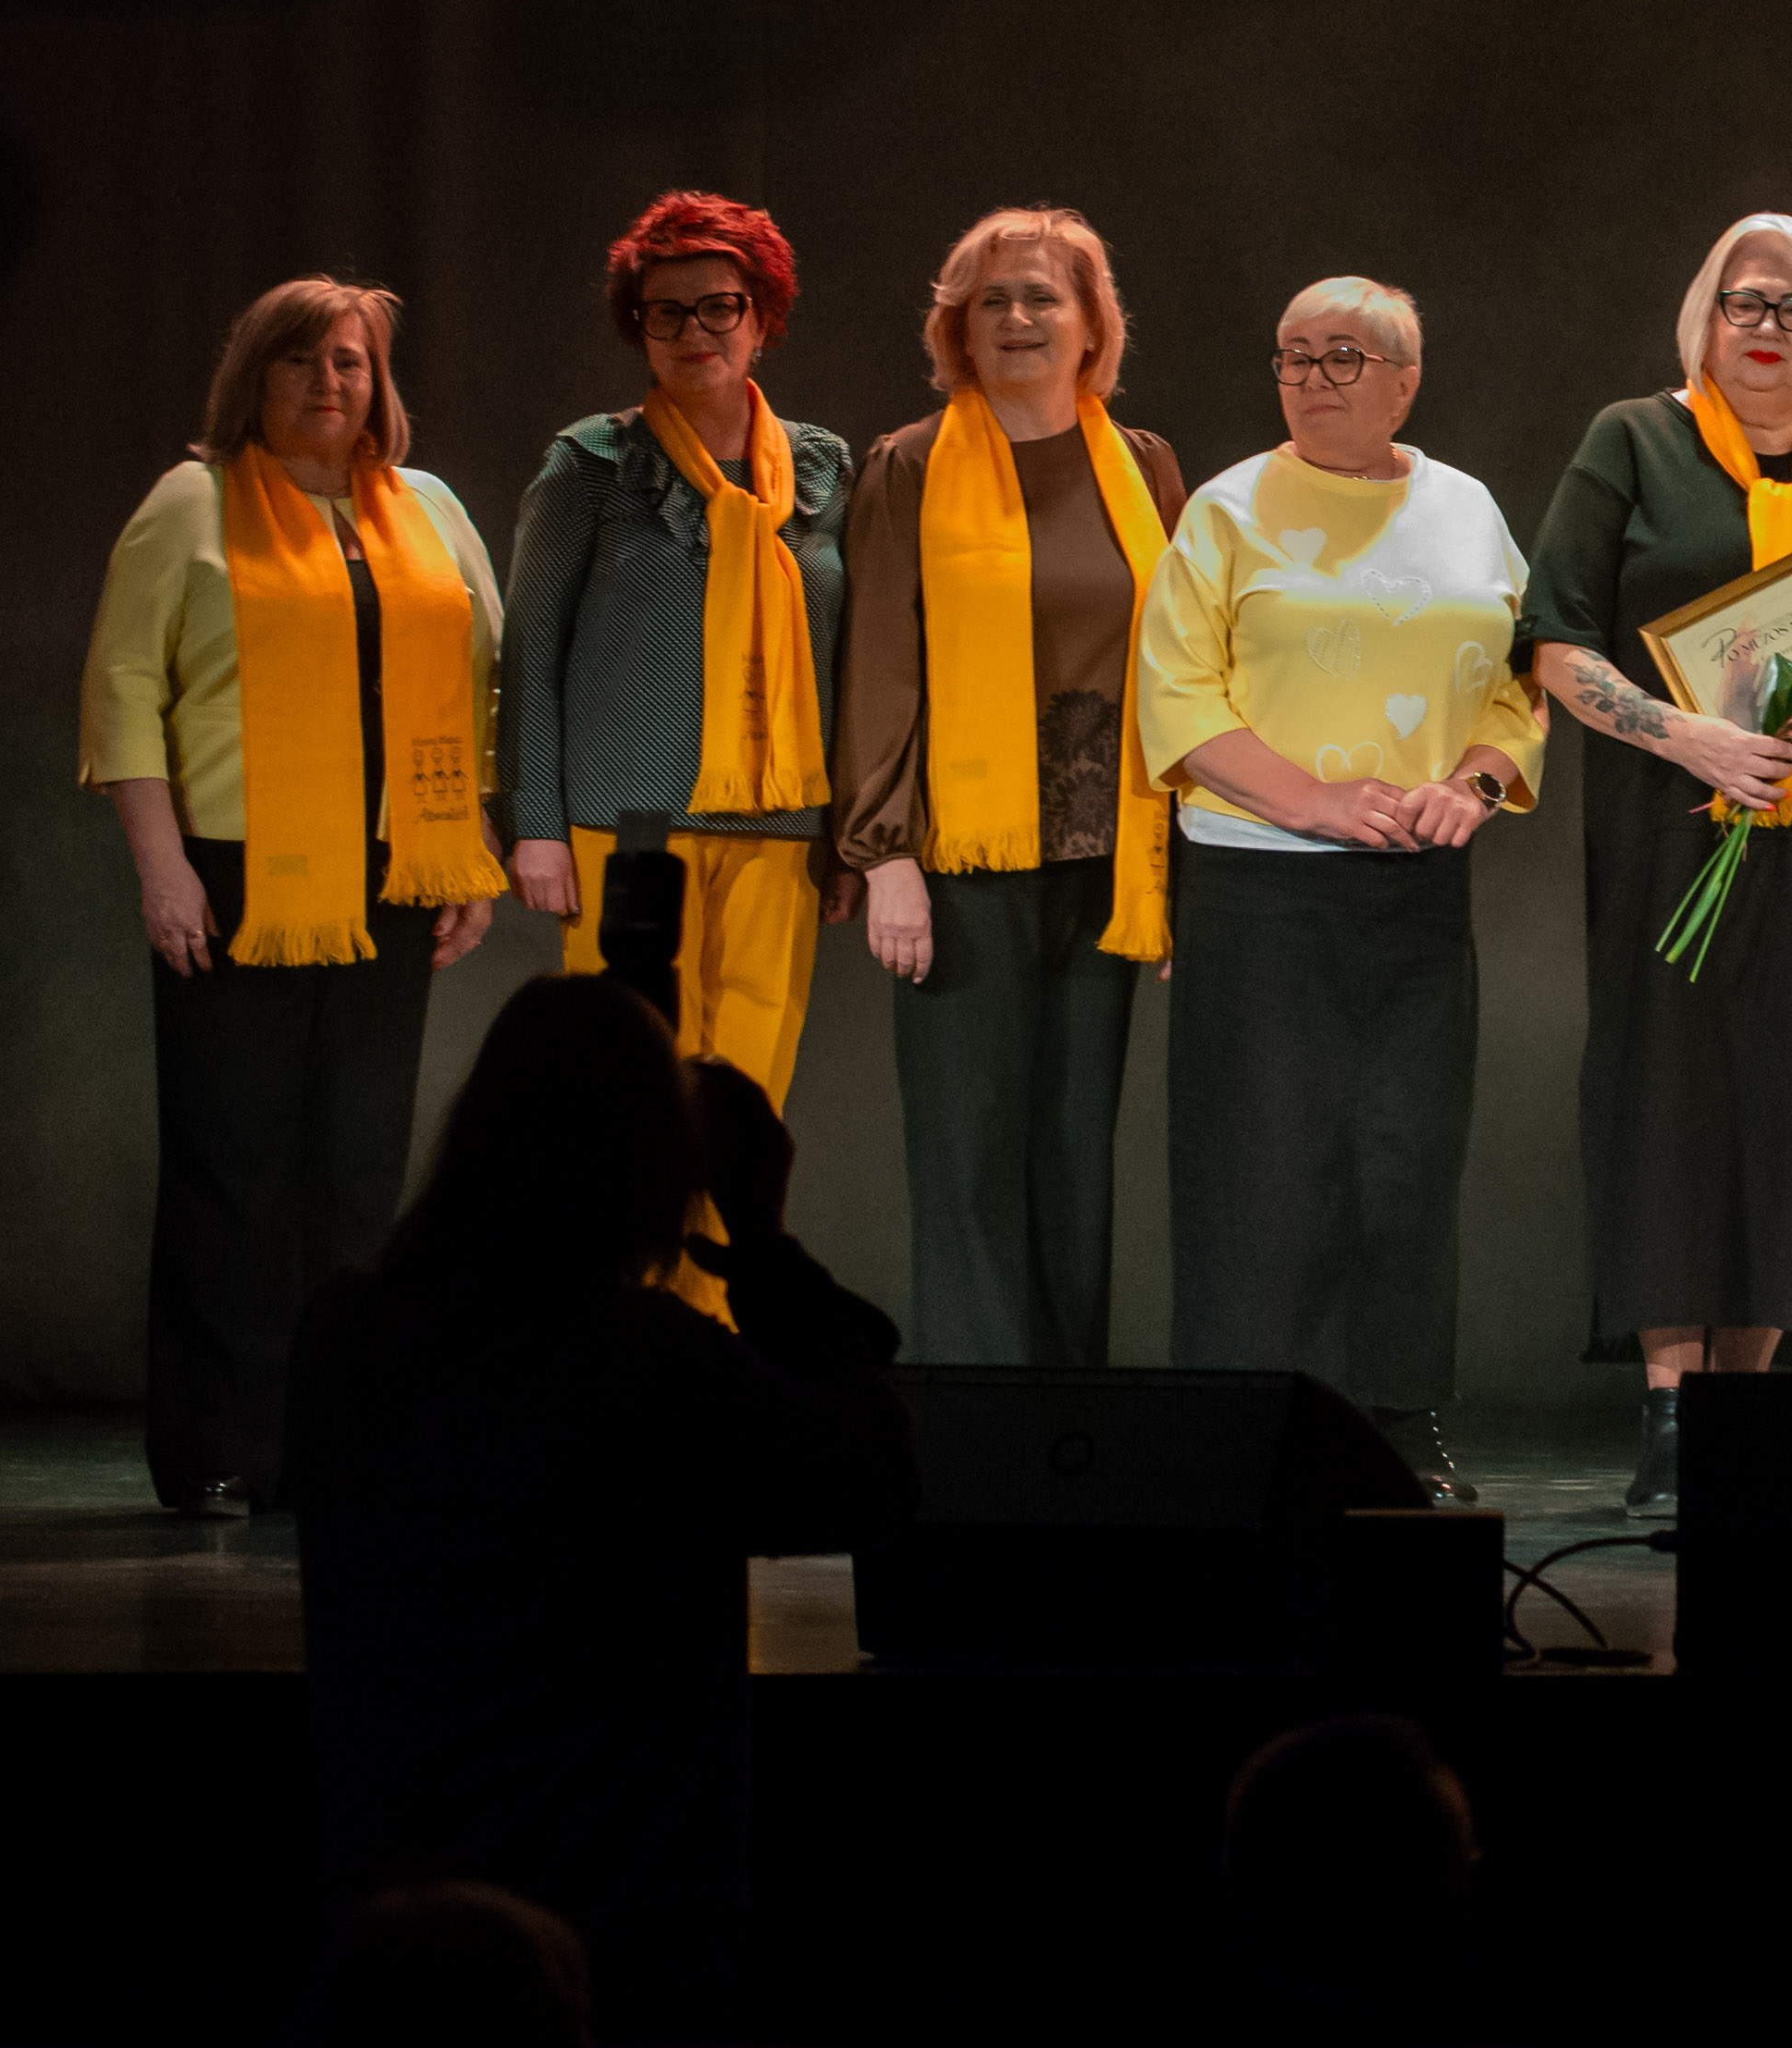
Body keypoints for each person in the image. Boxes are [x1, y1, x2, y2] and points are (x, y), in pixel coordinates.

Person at [288, 977, 912, 2003]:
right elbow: (875, 1474)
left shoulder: (342, 1340)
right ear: (653, 1168)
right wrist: (762, 1241)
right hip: (633, 1947)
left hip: (389, 1936)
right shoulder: (655, 1366)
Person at [1517, 215, 1792, 1515]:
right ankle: (1668, 1411)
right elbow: (1555, 641)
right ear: (1705, 312)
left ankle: (1738, 1410)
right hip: (1671, 826)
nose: (1768, 325)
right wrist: (1684, 733)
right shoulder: (1631, 440)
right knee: (1669, 1098)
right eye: (1745, 299)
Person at [80, 277, 510, 1517]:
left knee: (359, 1169)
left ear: (380, 382)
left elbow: (480, 674)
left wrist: (466, 844)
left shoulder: (427, 508)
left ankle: (339, 1440)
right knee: (233, 1164)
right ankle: (220, 1444)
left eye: (351, 361)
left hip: (390, 871)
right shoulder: (193, 501)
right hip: (235, 868)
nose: (329, 382)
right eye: (300, 360)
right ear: (253, 377)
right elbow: (123, 684)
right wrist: (161, 864)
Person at [1135, 277, 1545, 1504]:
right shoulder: (1225, 508)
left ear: (1405, 381)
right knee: (1260, 1167)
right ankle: (1248, 1425)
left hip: (1414, 887)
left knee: (1406, 1158)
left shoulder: (1468, 507)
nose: (1312, 376)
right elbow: (1177, 697)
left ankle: (1397, 1419)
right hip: (1260, 887)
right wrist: (1310, 800)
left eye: (1344, 355)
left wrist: (1474, 785)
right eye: (1294, 354)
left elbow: (1521, 684)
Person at [832, 208, 1188, 1372]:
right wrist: (885, 852)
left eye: (1044, 296)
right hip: (960, 860)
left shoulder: (1144, 467)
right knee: (971, 1155)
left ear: (1092, 324)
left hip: (1108, 858)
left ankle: (1067, 1418)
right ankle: (979, 1417)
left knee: (1077, 1152)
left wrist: (1179, 870)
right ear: (959, 327)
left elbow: (1185, 668)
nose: (1019, 317)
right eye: (993, 299)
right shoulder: (907, 464)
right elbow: (879, 664)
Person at [495, 191, 852, 1316]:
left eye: (720, 306)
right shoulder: (593, 464)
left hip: (782, 831)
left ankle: (721, 1338)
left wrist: (851, 835)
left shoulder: (825, 471)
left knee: (747, 1104)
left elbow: (850, 662)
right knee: (630, 1101)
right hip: (629, 830)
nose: (696, 330)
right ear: (638, 327)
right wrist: (536, 826)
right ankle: (630, 1334)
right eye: (667, 312)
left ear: (764, 317)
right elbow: (531, 653)